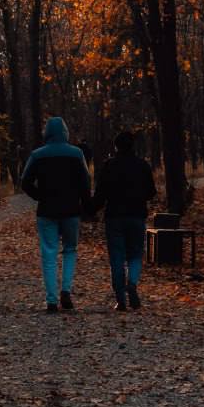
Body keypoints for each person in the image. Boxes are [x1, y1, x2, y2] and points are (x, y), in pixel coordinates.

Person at [21, 117, 91, 312]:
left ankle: (51, 300)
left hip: (46, 211)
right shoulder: (76, 154)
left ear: (47, 133)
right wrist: (87, 207)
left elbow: (25, 182)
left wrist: (39, 196)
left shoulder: (37, 155)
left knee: (49, 253)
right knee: (70, 250)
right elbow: (85, 182)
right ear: (65, 132)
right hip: (71, 211)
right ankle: (66, 290)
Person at [89, 130, 156, 310]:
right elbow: (151, 192)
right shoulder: (142, 166)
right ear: (133, 146)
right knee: (135, 254)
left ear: (116, 146)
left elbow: (101, 194)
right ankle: (132, 283)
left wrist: (89, 211)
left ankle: (120, 298)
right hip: (136, 215)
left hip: (114, 217)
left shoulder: (109, 166)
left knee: (117, 257)